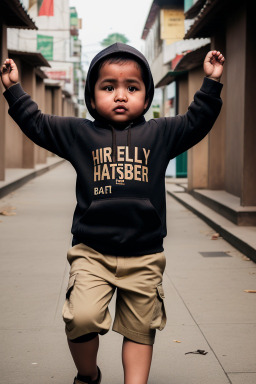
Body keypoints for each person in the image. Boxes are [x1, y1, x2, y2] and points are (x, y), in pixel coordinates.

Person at [0, 43, 225, 384]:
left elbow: (197, 121)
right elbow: (37, 123)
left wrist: (211, 83)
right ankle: (88, 374)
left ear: (147, 97)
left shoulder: (160, 134)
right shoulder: (80, 134)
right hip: (91, 253)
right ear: (92, 98)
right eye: (109, 87)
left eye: (132, 88)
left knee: (140, 328)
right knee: (81, 318)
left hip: (145, 256)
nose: (121, 96)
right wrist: (14, 89)